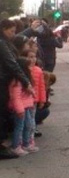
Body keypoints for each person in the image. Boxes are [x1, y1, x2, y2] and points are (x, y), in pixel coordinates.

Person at [1, 19, 31, 159]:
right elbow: (11, 63)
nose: (13, 34)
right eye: (11, 31)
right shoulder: (2, 43)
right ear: (3, 29)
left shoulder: (6, 42)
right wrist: (26, 81)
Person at [8, 57, 36, 156]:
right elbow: (16, 97)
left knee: (28, 125)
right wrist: (19, 109)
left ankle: (26, 143)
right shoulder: (17, 82)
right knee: (19, 126)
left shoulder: (25, 80)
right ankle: (16, 146)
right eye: (28, 66)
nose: (31, 67)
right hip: (20, 108)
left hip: (27, 106)